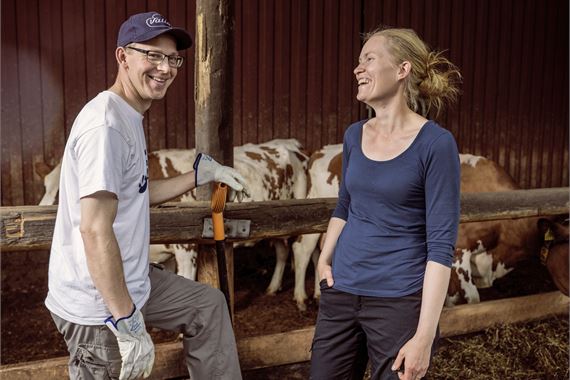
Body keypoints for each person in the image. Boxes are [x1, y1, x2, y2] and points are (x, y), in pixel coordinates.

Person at [45, 11, 248, 380]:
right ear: (122, 57)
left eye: (172, 58)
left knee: (208, 304)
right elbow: (93, 229)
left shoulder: (128, 116)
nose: (165, 67)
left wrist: (199, 175)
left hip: (131, 277)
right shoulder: (105, 125)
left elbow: (135, 191)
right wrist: (126, 321)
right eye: (152, 55)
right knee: (118, 367)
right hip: (98, 302)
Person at [310, 27, 462, 380]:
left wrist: (424, 337)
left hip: (398, 299)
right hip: (341, 292)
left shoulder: (436, 144)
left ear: (402, 70)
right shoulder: (354, 134)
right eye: (358, 60)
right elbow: (345, 205)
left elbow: (441, 246)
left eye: (369, 58)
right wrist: (324, 259)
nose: (357, 68)